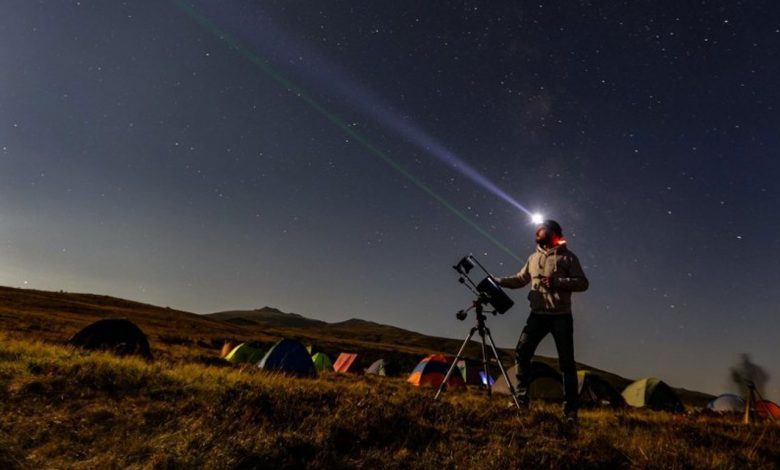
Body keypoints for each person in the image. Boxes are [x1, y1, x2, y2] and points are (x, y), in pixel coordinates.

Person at [495, 219, 589, 421]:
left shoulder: (568, 258)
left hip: (561, 317)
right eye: (537, 229)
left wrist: (557, 282)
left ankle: (570, 411)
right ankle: (521, 402)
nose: (538, 231)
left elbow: (582, 283)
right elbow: (520, 279)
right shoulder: (533, 257)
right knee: (522, 354)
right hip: (537, 316)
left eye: (542, 228)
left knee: (566, 364)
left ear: (553, 232)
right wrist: (498, 281)